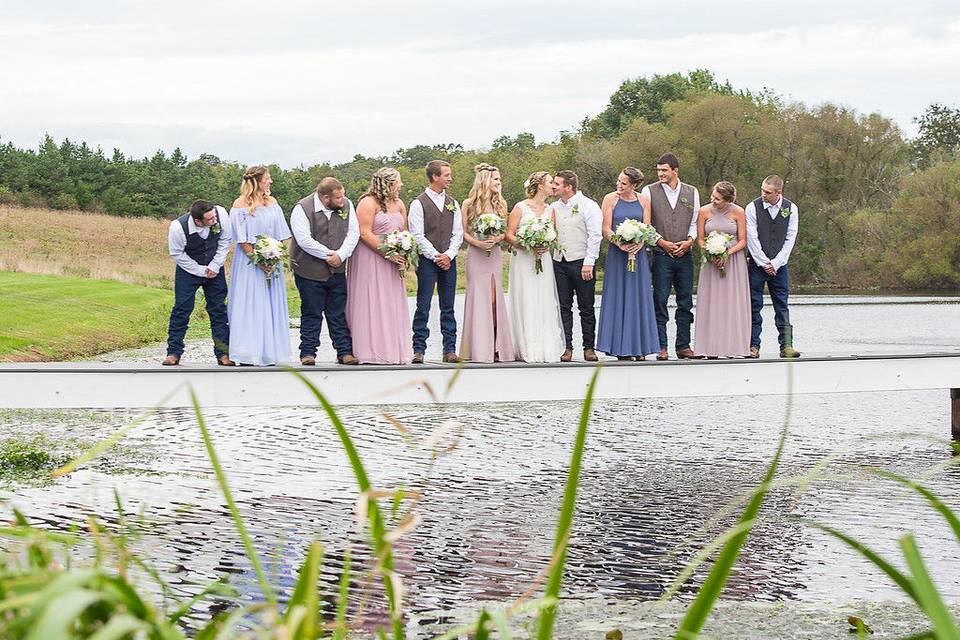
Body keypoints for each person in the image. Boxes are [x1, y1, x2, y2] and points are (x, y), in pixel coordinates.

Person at [345, 167, 413, 364]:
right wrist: (387, 253)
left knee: (391, 303)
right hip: (371, 257)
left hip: (393, 260)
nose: (401, 185)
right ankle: (369, 351)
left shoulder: (399, 204)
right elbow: (364, 232)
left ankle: (393, 351)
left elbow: (405, 230)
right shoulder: (367, 203)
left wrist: (405, 251)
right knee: (371, 300)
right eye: (398, 182)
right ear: (389, 184)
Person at [289, 177, 360, 366]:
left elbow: (354, 232)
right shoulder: (302, 209)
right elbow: (304, 239)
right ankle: (308, 353)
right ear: (325, 197)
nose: (342, 200)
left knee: (337, 312)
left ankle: (344, 352)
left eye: (343, 196)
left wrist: (341, 255)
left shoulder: (347, 205)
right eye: (338, 198)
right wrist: (329, 255)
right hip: (308, 270)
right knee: (311, 312)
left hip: (337, 270)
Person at [228, 165, 292, 366]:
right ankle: (249, 352)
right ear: (257, 181)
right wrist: (258, 259)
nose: (270, 181)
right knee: (251, 303)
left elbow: (283, 234)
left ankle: (271, 352)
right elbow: (241, 238)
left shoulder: (272, 203)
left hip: (272, 263)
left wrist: (274, 257)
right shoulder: (240, 206)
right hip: (249, 263)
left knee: (271, 304)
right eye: (267, 178)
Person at [640, 153, 700, 360]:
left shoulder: (692, 192)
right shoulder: (648, 191)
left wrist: (689, 241)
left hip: (685, 254)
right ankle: (661, 346)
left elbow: (695, 221)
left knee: (685, 301)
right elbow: (645, 224)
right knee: (660, 299)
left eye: (664, 170)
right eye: (658, 170)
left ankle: (683, 345)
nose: (660, 174)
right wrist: (661, 242)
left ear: (675, 170)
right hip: (660, 254)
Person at [597, 167, 660, 360]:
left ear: (634, 185)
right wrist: (619, 243)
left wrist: (639, 243)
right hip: (617, 255)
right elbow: (605, 228)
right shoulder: (610, 199)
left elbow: (647, 228)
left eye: (623, 183)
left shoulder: (644, 200)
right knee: (618, 296)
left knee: (638, 297)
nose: (619, 185)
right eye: (618, 181)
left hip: (638, 255)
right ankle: (618, 347)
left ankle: (640, 347)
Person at [162, 199, 234, 366]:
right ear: (197, 221)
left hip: (215, 267)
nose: (214, 220)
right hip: (188, 270)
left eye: (213, 217)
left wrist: (215, 265)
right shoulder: (178, 228)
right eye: (209, 220)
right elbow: (177, 254)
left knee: (218, 310)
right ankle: (173, 352)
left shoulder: (220, 214)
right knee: (182, 309)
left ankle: (223, 353)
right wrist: (201, 270)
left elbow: (225, 241)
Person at [505, 171, 565, 363]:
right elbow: (509, 234)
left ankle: (545, 346)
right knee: (527, 297)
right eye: (550, 182)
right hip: (524, 259)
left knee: (544, 298)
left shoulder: (551, 210)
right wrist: (525, 245)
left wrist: (547, 244)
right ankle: (525, 345)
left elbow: (554, 235)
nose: (554, 186)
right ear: (540, 185)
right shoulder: (520, 207)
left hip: (544, 259)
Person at [459, 163, 516, 363]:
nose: (499, 183)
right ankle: (478, 348)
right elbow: (463, 232)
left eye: (499, 179)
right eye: (496, 179)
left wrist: (497, 239)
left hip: (494, 256)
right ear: (485, 180)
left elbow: (505, 231)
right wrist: (478, 243)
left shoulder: (501, 203)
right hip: (476, 255)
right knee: (478, 299)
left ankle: (496, 345)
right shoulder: (468, 203)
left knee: (493, 300)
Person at [409, 160, 463, 364]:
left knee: (448, 306)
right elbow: (417, 235)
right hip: (427, 261)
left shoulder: (453, 203)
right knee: (423, 304)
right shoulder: (418, 203)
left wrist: (448, 255)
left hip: (449, 260)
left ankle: (450, 349)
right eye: (447, 175)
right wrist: (436, 256)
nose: (450, 178)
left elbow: (458, 233)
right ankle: (418, 349)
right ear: (435, 177)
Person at [745, 175, 801, 358]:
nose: (763, 194)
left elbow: (790, 238)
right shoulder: (752, 207)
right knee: (754, 305)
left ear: (779, 192)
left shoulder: (791, 208)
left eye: (768, 192)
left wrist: (776, 263)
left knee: (782, 305)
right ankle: (753, 345)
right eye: (762, 190)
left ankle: (786, 345)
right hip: (756, 264)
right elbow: (751, 238)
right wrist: (763, 262)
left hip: (780, 266)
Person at [693, 182, 751, 358]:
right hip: (710, 263)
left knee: (732, 302)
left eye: (717, 198)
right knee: (711, 302)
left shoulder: (738, 212)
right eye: (712, 196)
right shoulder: (703, 211)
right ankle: (709, 347)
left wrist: (727, 253)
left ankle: (733, 347)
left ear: (727, 200)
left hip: (733, 263)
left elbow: (743, 240)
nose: (713, 200)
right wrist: (709, 252)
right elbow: (700, 238)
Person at [550, 170, 602, 363]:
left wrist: (589, 262)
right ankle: (567, 347)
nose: (553, 186)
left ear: (568, 187)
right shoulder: (553, 207)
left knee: (586, 307)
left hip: (582, 262)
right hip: (560, 262)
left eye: (557, 184)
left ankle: (589, 347)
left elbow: (595, 235)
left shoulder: (589, 206)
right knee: (564, 306)